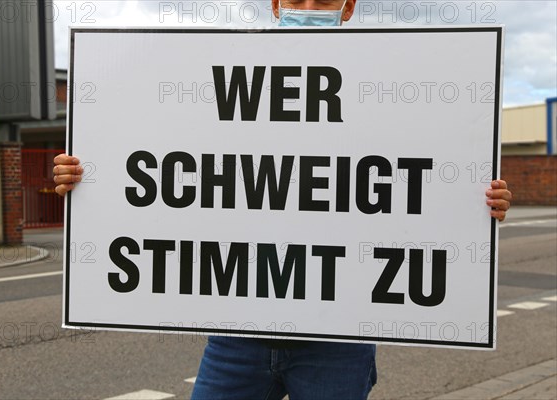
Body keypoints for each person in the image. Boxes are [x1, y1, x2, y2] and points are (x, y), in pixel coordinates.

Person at [53, 1, 513, 399]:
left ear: (349, 8)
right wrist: (91, 178)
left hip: (338, 340)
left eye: (324, 0)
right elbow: (183, 159)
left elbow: (416, 177)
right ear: (275, 5)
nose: (309, 10)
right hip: (238, 336)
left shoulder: (382, 90)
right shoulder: (223, 70)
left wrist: (477, 205)